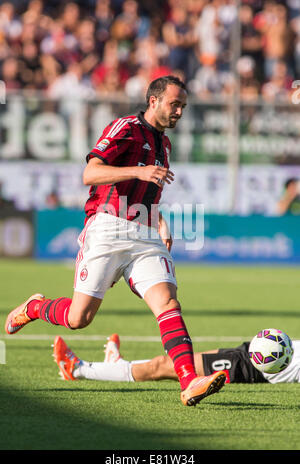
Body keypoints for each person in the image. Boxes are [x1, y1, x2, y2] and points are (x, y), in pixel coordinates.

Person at [5, 75, 226, 407]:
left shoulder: (164, 144)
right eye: (174, 104)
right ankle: (34, 307)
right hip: (108, 227)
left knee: (167, 303)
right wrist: (138, 172)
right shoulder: (124, 128)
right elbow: (90, 174)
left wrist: (161, 223)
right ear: (154, 101)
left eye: (182, 106)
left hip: (145, 233)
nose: (179, 111)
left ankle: (189, 381)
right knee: (79, 318)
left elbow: (149, 193)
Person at [53, 333, 300, 385]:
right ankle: (115, 366)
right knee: (175, 360)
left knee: (161, 366)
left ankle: (78, 369)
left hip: (249, 368)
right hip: (248, 354)